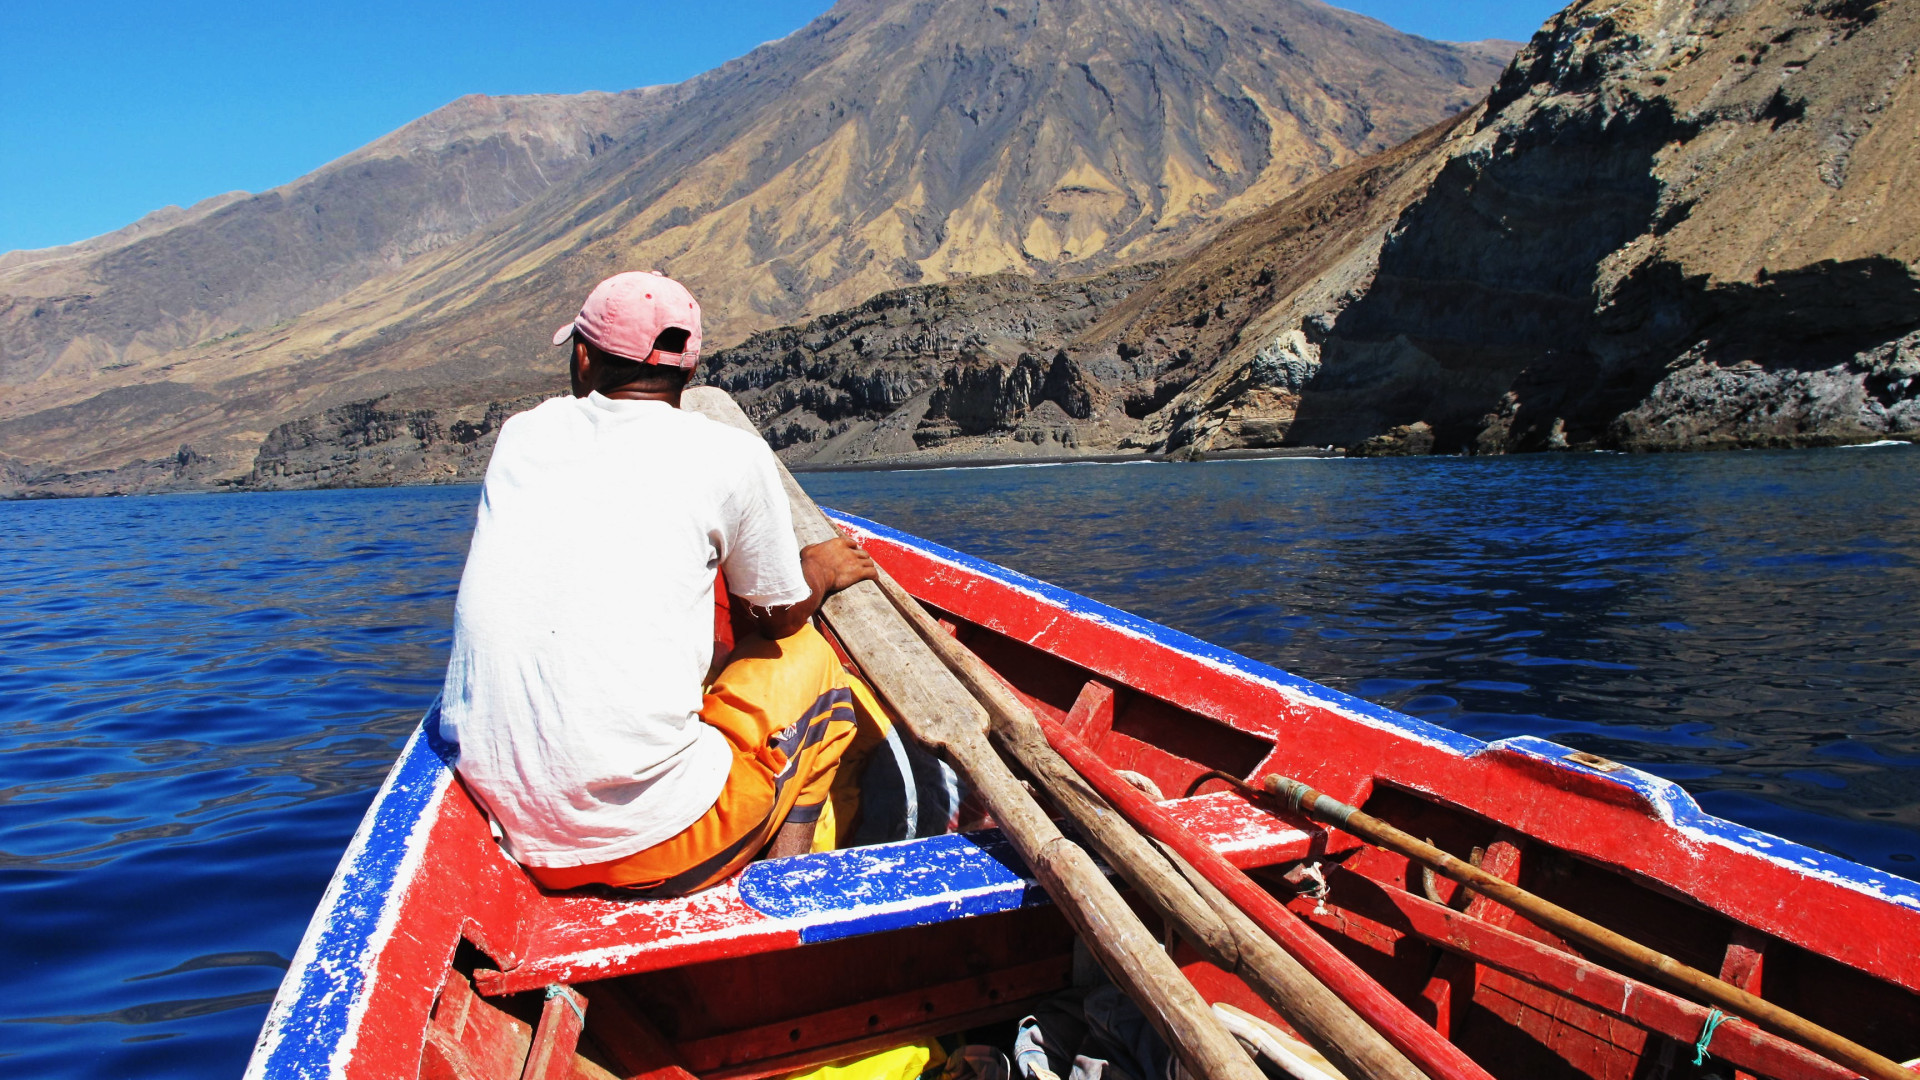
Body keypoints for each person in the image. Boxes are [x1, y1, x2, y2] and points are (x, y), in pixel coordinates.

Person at [438, 270, 888, 897]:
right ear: (689, 371)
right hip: (654, 844)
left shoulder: (522, 435)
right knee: (812, 664)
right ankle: (786, 887)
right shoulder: (731, 455)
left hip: (510, 821)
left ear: (583, 357)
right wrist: (820, 568)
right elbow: (778, 615)